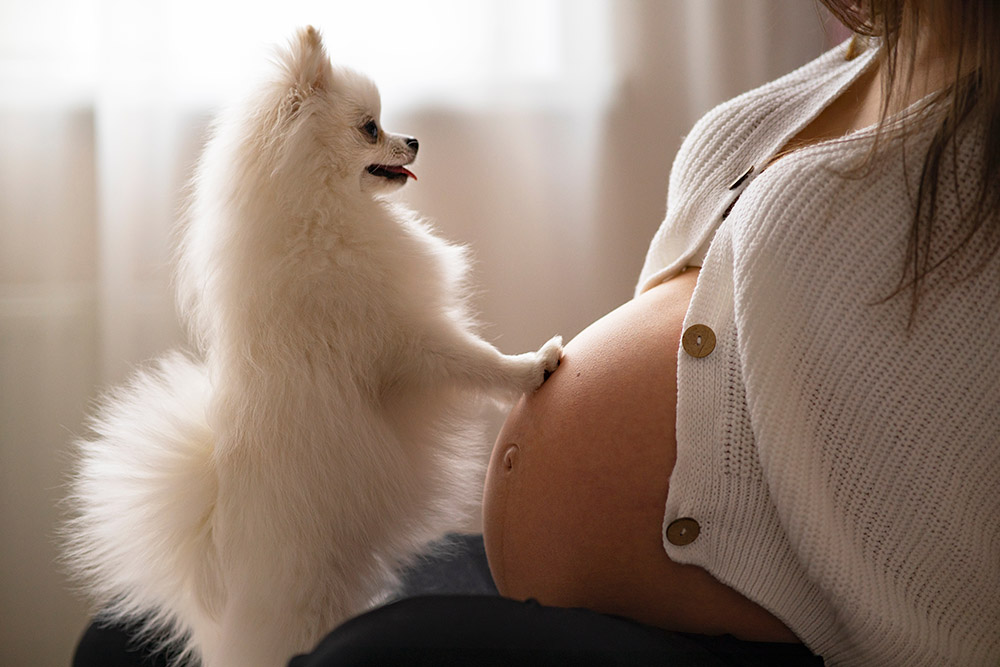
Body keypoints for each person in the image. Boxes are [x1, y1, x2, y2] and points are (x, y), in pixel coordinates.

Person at [75, 1, 999, 665]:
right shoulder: (861, 63)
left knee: (377, 655)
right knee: (118, 641)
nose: (393, 143)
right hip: (575, 572)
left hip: (741, 608)